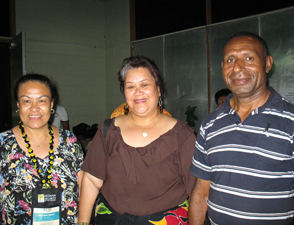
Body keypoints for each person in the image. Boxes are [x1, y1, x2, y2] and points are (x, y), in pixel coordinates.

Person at [189, 31, 294, 225]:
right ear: (222, 67)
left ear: (267, 63)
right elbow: (201, 191)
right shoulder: (210, 124)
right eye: (230, 60)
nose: (237, 68)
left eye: (249, 58)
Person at [79, 56, 196, 224]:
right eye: (130, 86)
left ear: (158, 89)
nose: (138, 92)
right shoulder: (107, 131)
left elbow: (196, 192)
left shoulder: (182, 136)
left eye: (145, 84)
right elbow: (90, 180)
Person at [0, 74, 84, 224]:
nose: (34, 108)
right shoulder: (3, 144)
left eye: (42, 100)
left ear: (52, 105)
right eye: (26, 101)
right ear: (18, 104)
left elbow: (84, 189)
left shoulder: (70, 142)